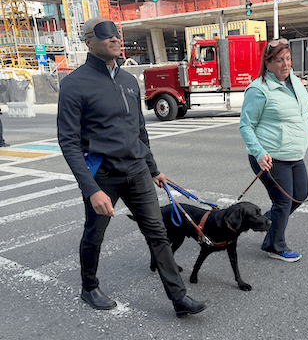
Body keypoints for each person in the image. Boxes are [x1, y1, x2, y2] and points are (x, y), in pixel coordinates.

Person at [57, 17, 206, 318]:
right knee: (94, 234)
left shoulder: (128, 82)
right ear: (88, 42)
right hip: (103, 175)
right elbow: (69, 142)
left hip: (137, 171)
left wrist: (153, 169)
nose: (114, 39)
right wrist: (91, 189)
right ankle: (89, 287)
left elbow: (140, 130)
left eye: (116, 35)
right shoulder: (74, 84)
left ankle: (179, 299)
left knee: (158, 234)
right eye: (105, 35)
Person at [239, 38, 308, 263]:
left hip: (295, 155)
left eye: (288, 59)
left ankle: (265, 224)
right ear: (268, 63)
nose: (286, 64)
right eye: (279, 60)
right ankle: (275, 245)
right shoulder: (258, 90)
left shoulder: (295, 83)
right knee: (283, 203)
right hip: (270, 157)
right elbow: (246, 125)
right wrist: (259, 152)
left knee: (300, 196)